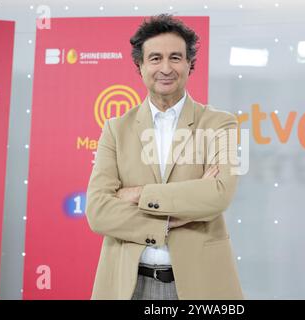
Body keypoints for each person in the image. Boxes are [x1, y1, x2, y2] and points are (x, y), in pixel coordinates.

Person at [86, 14, 243, 300]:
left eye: (176, 57)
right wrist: (170, 221)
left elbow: (219, 194)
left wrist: (137, 194)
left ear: (189, 64)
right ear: (140, 66)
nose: (166, 68)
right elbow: (97, 211)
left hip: (200, 284)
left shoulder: (221, 123)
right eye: (156, 58)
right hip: (128, 284)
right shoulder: (116, 128)